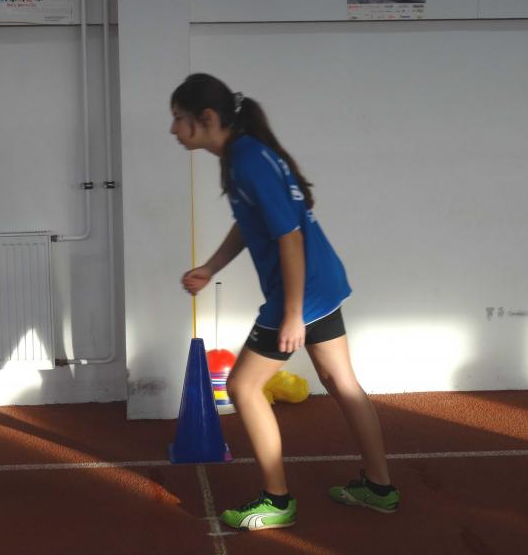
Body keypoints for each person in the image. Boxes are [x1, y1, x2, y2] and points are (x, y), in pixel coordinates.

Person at [171, 73, 400, 531]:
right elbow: (250, 223)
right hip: (321, 281)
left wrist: (293, 314)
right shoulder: (245, 155)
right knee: (341, 381)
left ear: (207, 117)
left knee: (243, 387)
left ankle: (276, 500)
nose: (174, 129)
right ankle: (379, 489)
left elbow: (289, 236)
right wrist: (211, 267)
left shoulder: (246, 159)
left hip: (301, 290)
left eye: (179, 118)